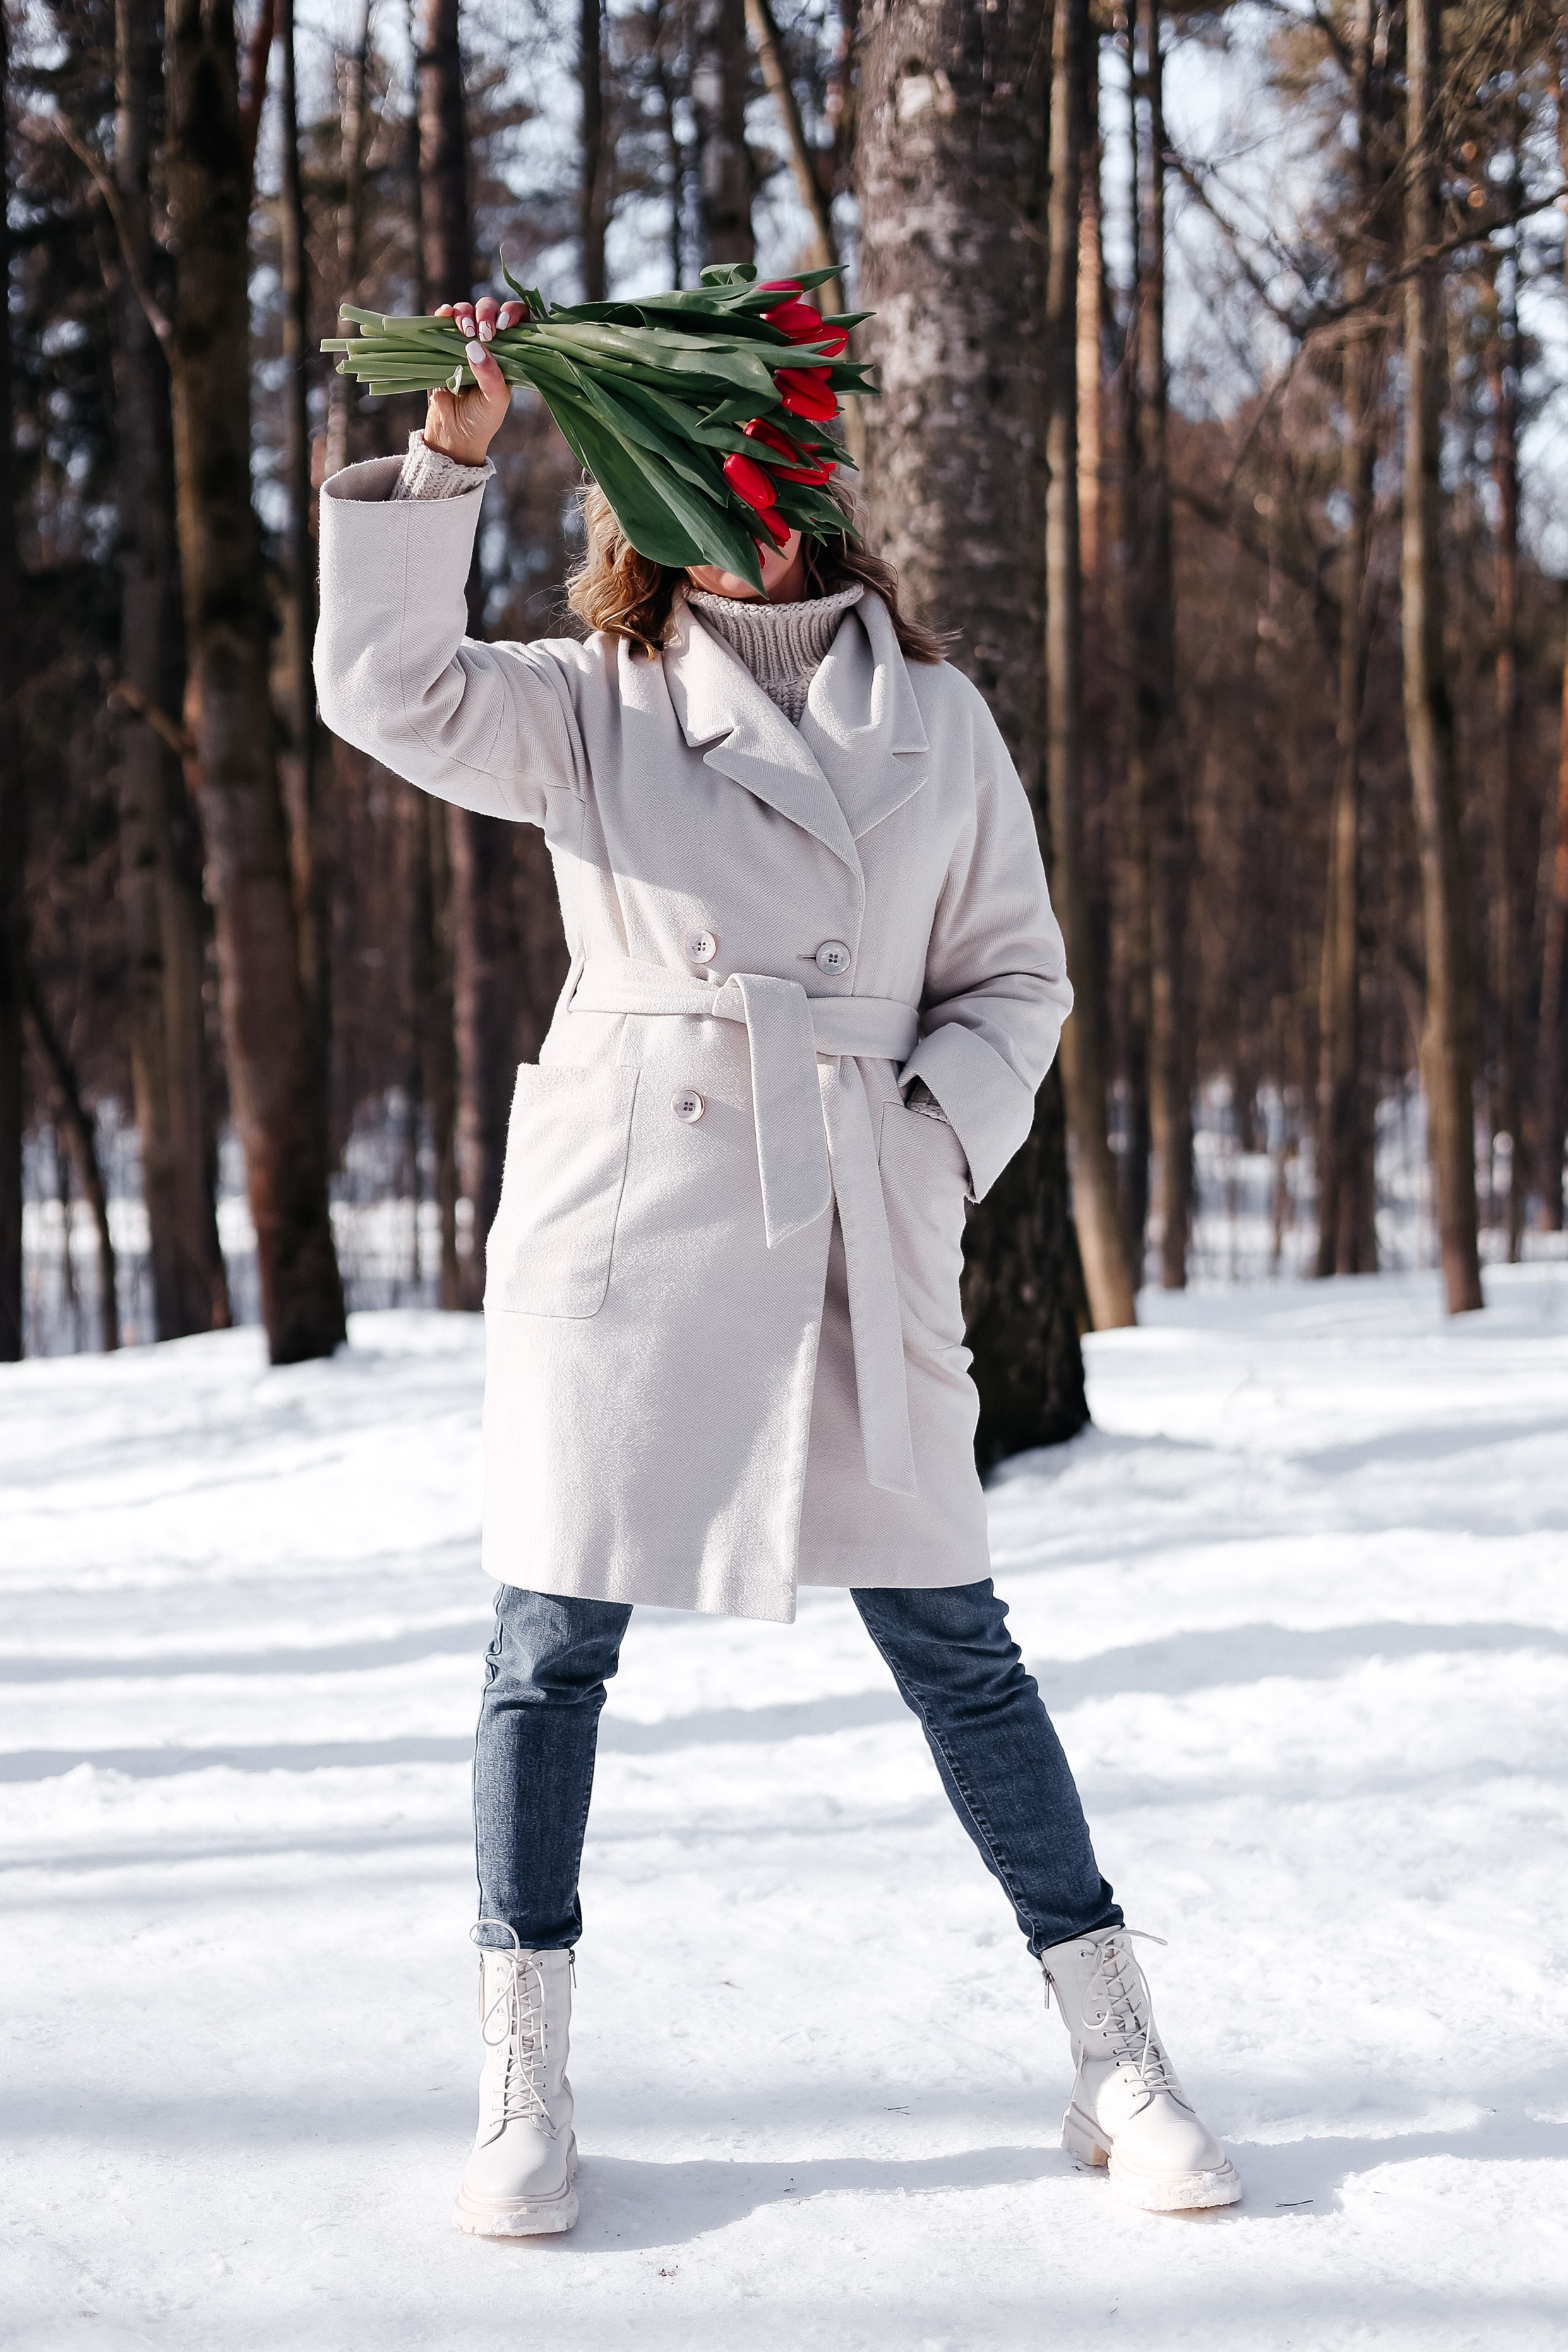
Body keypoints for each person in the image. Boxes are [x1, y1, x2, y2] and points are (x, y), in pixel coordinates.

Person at [313, 287, 1242, 2235]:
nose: (731, 503)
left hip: (848, 1214)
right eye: (686, 465)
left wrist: (921, 1146)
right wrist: (457, 453)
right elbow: (382, 690)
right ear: (641, 486)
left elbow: (1017, 977)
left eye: (754, 461)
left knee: (955, 1646)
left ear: (808, 479)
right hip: (629, 1219)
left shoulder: (943, 718)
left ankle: (1114, 2050)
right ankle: (522, 2077)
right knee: (546, 1641)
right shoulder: (588, 700)